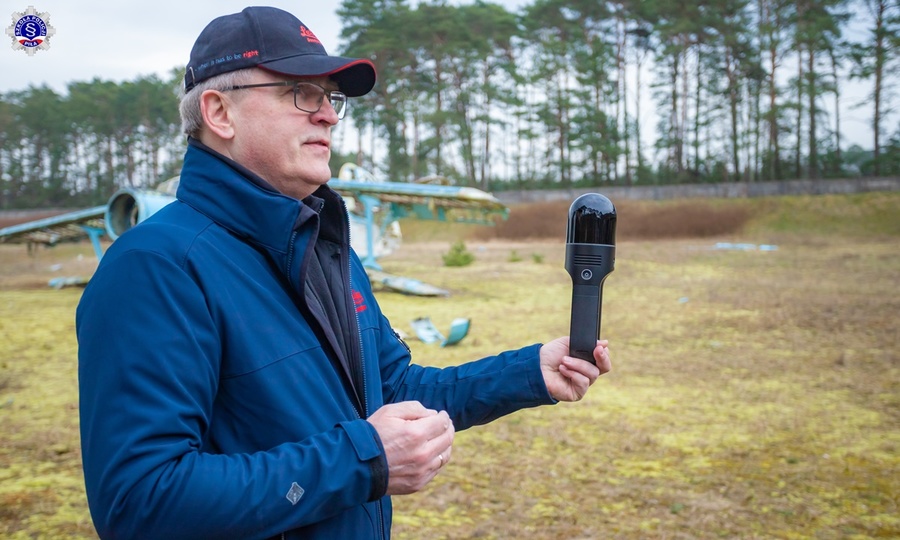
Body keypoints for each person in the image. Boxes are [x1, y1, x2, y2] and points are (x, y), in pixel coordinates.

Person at [76, 6, 611, 539]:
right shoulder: (155, 268)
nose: (329, 115)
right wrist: (363, 461)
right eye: (302, 93)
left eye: (330, 99)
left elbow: (395, 387)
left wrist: (526, 373)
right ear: (220, 113)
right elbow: (140, 503)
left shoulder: (325, 248)